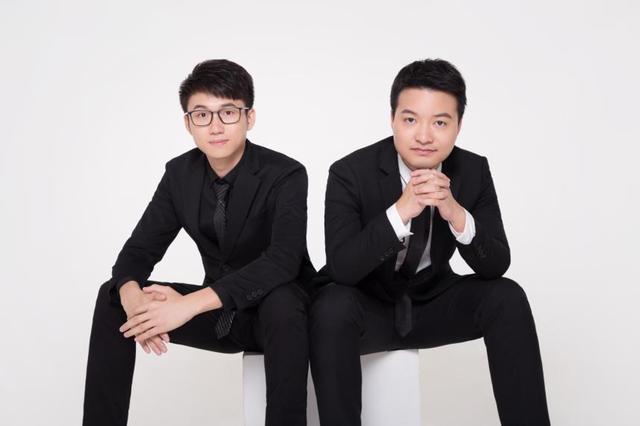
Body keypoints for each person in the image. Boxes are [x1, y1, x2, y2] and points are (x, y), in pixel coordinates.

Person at [309, 59, 551, 425]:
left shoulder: (473, 170)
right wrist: (401, 211)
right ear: (392, 119)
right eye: (410, 120)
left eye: (440, 123)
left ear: (458, 127)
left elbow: (496, 264)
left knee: (507, 296)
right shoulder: (349, 172)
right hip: (368, 308)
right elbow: (343, 267)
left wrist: (455, 212)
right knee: (331, 305)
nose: (424, 136)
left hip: (431, 303)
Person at [83, 59, 314, 426]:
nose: (215, 126)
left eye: (228, 112)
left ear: (250, 118)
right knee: (113, 294)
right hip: (221, 317)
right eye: (202, 115)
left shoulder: (285, 174)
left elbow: (282, 261)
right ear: (188, 123)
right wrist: (134, 301)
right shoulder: (180, 174)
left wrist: (187, 305)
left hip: (280, 319)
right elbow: (138, 251)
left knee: (282, 300)